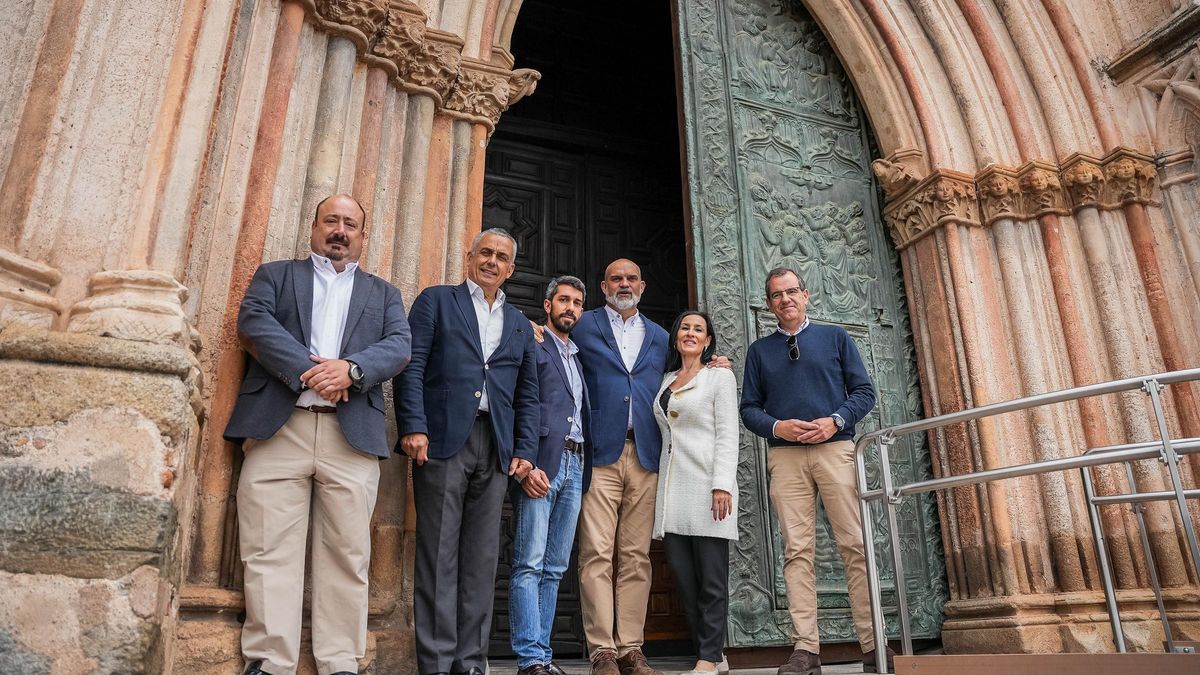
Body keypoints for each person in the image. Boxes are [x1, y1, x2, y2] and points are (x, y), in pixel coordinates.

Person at [224, 194, 413, 675]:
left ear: (362, 236)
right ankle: (270, 661)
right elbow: (254, 323)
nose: (340, 231)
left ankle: (339, 663)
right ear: (314, 226)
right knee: (268, 549)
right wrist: (310, 372)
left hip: (350, 437)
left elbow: (398, 347)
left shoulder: (384, 293)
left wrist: (350, 370)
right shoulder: (276, 275)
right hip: (278, 429)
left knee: (348, 555)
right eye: (332, 220)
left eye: (351, 224)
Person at [394, 227, 539, 675]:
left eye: (501, 257)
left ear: (511, 269)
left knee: (481, 559)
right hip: (441, 441)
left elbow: (528, 393)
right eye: (485, 253)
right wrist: (413, 426)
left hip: (495, 447)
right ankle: (436, 664)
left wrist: (525, 450)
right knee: (438, 555)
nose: (491, 262)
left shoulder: (518, 321)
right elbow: (411, 365)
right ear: (469, 257)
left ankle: (471, 663)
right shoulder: (436, 301)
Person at [740, 267, 892, 675]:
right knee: (797, 552)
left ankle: (873, 644)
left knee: (855, 546)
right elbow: (749, 409)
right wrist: (777, 426)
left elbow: (864, 392)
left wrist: (836, 421)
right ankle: (806, 650)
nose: (785, 299)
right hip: (786, 458)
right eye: (776, 295)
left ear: (806, 295)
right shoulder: (759, 351)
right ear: (769, 304)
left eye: (792, 292)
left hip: (835, 450)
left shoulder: (835, 338)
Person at [568, 258, 670, 675]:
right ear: (603, 284)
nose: (623, 284)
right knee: (595, 552)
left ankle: (631, 647)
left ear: (642, 286)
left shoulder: (662, 336)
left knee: (635, 555)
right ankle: (601, 651)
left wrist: (718, 364)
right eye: (616, 278)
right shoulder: (583, 324)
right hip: (600, 452)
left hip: (646, 453)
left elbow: (685, 370)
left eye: (631, 279)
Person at [509, 276, 594, 675]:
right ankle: (529, 659)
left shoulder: (577, 356)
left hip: (576, 464)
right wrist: (525, 460)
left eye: (577, 303)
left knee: (556, 566)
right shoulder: (532, 341)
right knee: (530, 561)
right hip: (542, 461)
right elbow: (518, 401)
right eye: (564, 300)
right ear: (547, 305)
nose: (570, 308)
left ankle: (543, 655)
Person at [651, 311, 739, 675]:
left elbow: (728, 433)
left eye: (698, 330)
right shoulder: (667, 379)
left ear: (707, 342)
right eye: (685, 327)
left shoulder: (719, 376)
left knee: (711, 580)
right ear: (676, 337)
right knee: (686, 581)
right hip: (672, 491)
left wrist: (722, 484)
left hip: (707, 487)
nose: (690, 333)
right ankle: (713, 652)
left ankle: (707, 657)